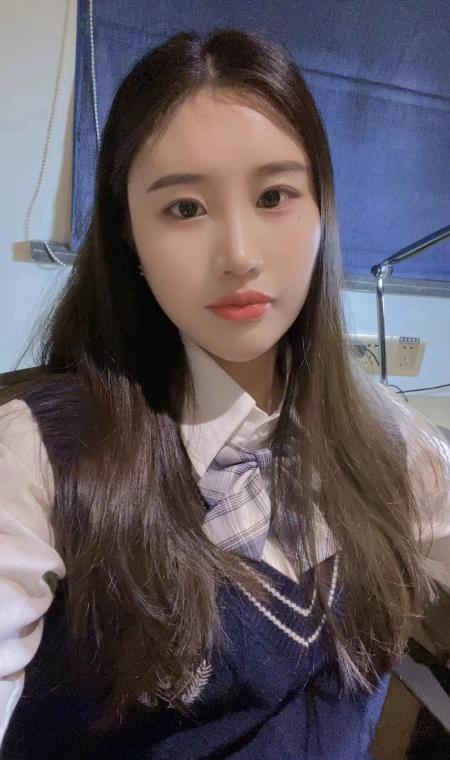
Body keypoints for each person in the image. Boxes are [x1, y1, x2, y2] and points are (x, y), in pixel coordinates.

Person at [0, 27, 449, 759]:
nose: (239, 255)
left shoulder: (387, 435)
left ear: (322, 212)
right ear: (128, 234)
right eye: (185, 208)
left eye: (274, 196)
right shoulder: (40, 457)